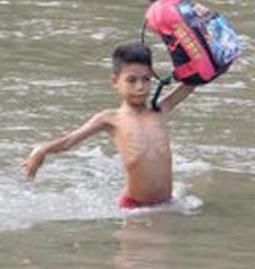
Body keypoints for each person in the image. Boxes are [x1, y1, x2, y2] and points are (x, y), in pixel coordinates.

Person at [23, 42, 196, 208]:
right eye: (131, 80)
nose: (140, 87)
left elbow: (191, 83)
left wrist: (215, 59)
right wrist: (41, 150)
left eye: (146, 79)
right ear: (115, 81)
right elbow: (68, 141)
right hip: (135, 208)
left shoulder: (160, 110)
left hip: (168, 203)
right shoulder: (111, 119)